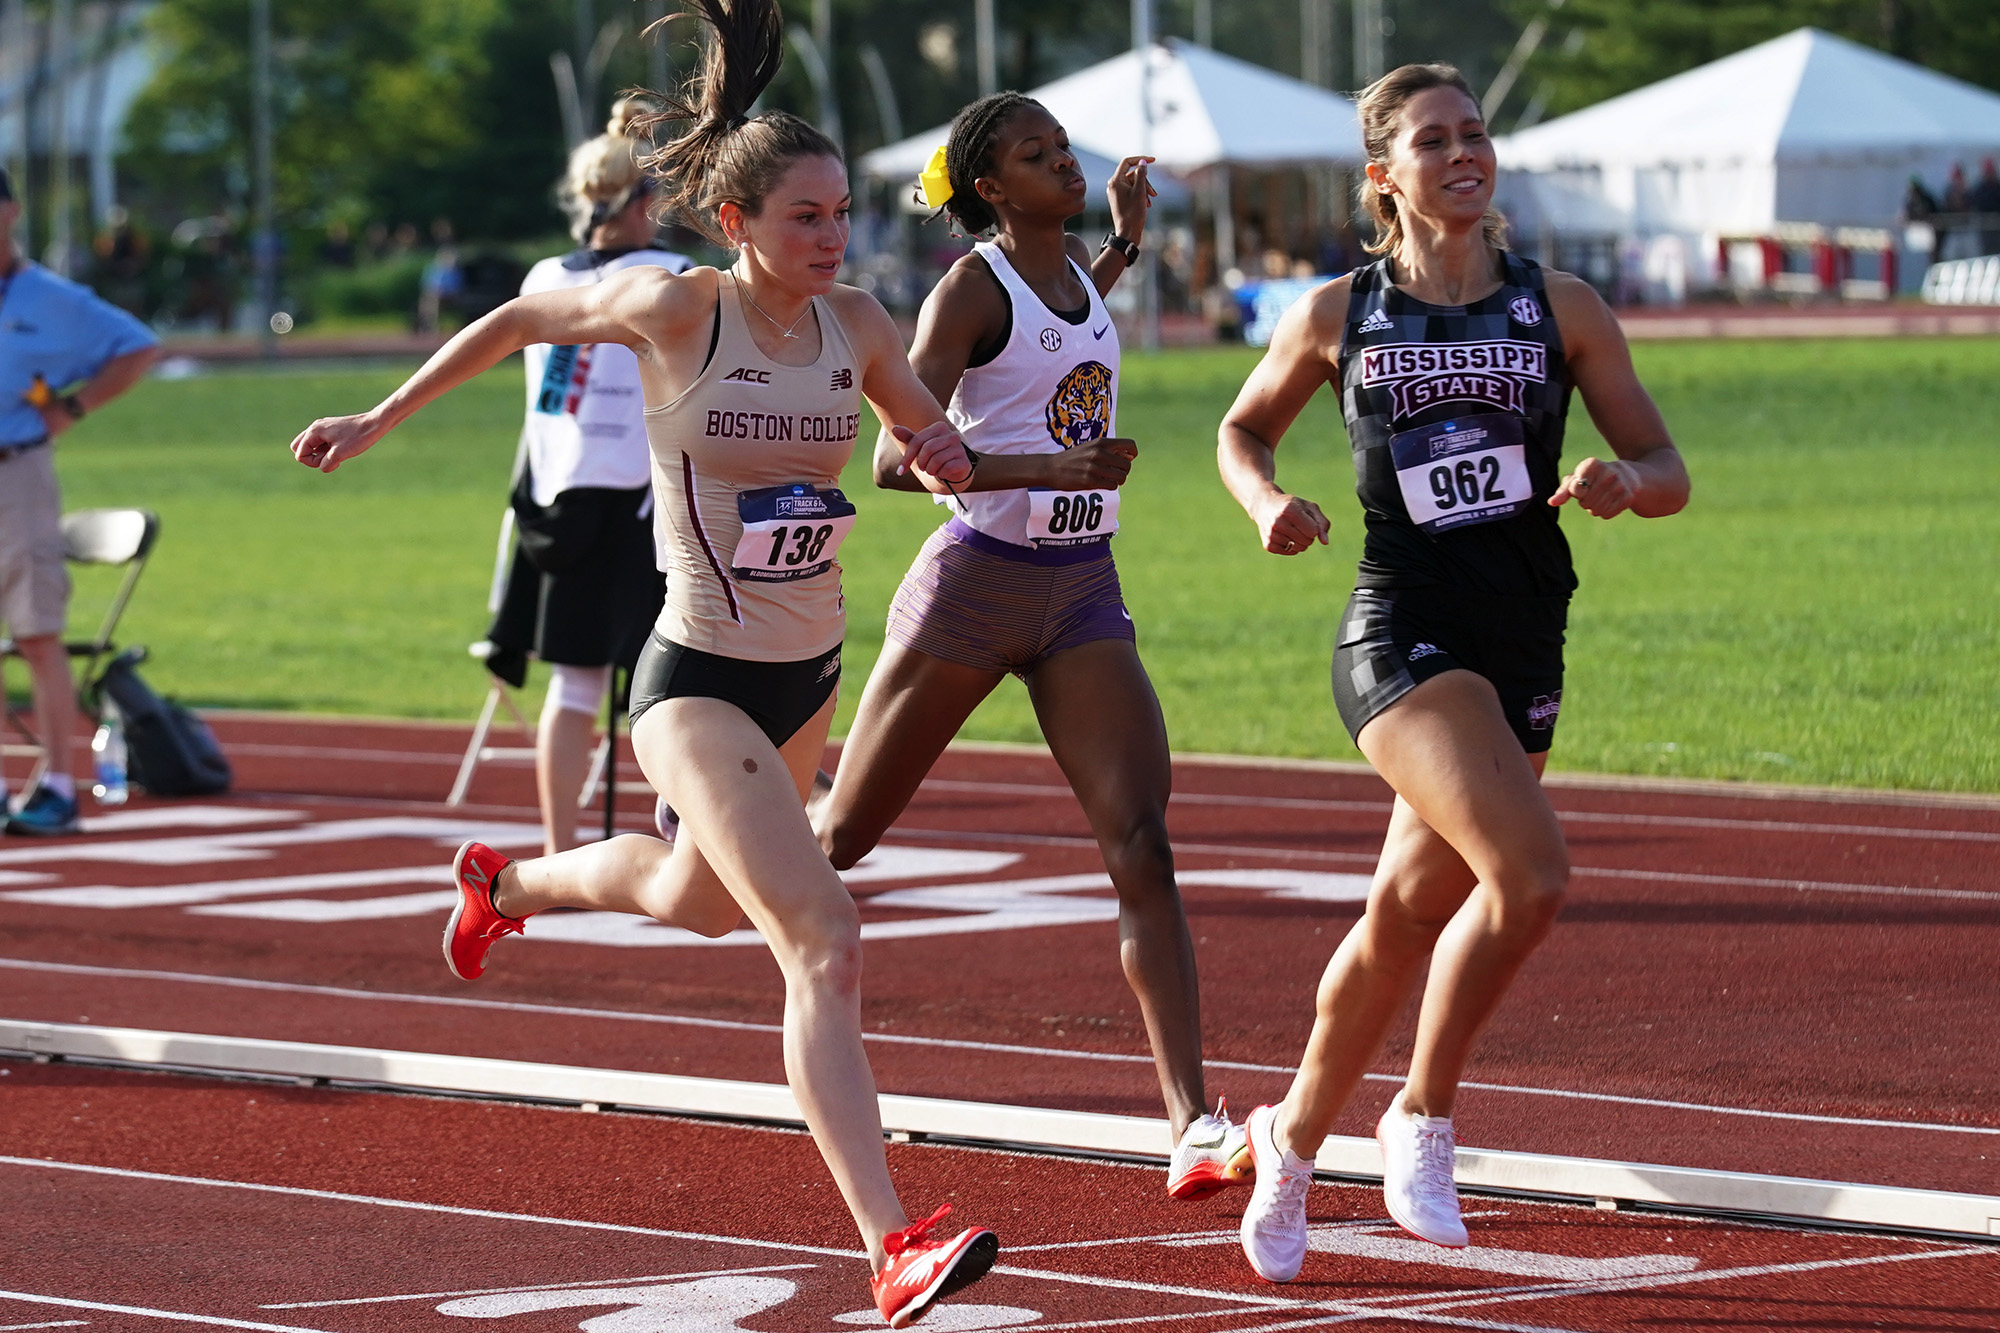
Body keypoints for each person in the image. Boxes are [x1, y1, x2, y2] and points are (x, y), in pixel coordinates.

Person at [287, 2, 997, 1324]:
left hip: (807, 675)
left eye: (843, 212)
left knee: (697, 899)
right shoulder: (672, 307)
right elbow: (515, 316)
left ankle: (508, 881)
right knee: (822, 940)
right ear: (738, 225)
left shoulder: (858, 320)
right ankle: (891, 1243)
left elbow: (922, 441)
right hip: (693, 683)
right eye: (805, 217)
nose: (834, 236)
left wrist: (945, 457)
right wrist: (379, 417)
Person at [1214, 63, 1688, 1282]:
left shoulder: (1559, 305)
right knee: (1527, 875)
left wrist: (1622, 485)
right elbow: (1239, 427)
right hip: (1399, 629)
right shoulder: (1337, 314)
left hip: (1524, 625)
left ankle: (1289, 1137)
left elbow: (1664, 462)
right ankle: (1420, 1117)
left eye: (1475, 133)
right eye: (1434, 141)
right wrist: (1264, 500)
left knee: (1403, 912)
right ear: (1385, 175)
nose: (1464, 154)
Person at [810, 91, 1249, 1201]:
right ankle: (691, 840)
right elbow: (890, 464)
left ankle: (1191, 1121)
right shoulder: (967, 287)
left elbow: (1058, 332)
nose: (1063, 159)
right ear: (990, 189)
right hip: (976, 590)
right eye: (1034, 154)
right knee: (837, 846)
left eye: (1064, 146)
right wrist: (1038, 472)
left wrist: (1128, 243)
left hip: (1080, 593)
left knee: (1141, 842)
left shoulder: (1065, 276)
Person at [487, 96, 691, 855]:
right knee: (673, 682)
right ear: (641, 200)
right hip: (650, 509)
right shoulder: (673, 273)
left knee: (573, 685)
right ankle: (691, 835)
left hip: (560, 502)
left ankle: (558, 848)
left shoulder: (544, 275)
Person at [0, 166, 161, 836]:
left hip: (16, 470)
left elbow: (138, 347)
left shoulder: (52, 297)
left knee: (37, 631)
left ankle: (59, 784)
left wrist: (72, 406)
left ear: (8, 212)